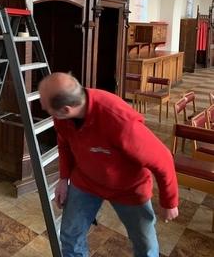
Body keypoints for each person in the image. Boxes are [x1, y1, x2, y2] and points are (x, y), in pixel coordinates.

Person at [38, 72, 179, 257]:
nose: (43, 108)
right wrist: (64, 178)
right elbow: (65, 143)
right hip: (86, 181)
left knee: (145, 246)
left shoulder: (119, 121)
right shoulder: (64, 116)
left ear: (66, 109)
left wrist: (169, 202)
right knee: (70, 236)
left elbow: (163, 158)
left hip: (129, 188)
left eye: (46, 108)